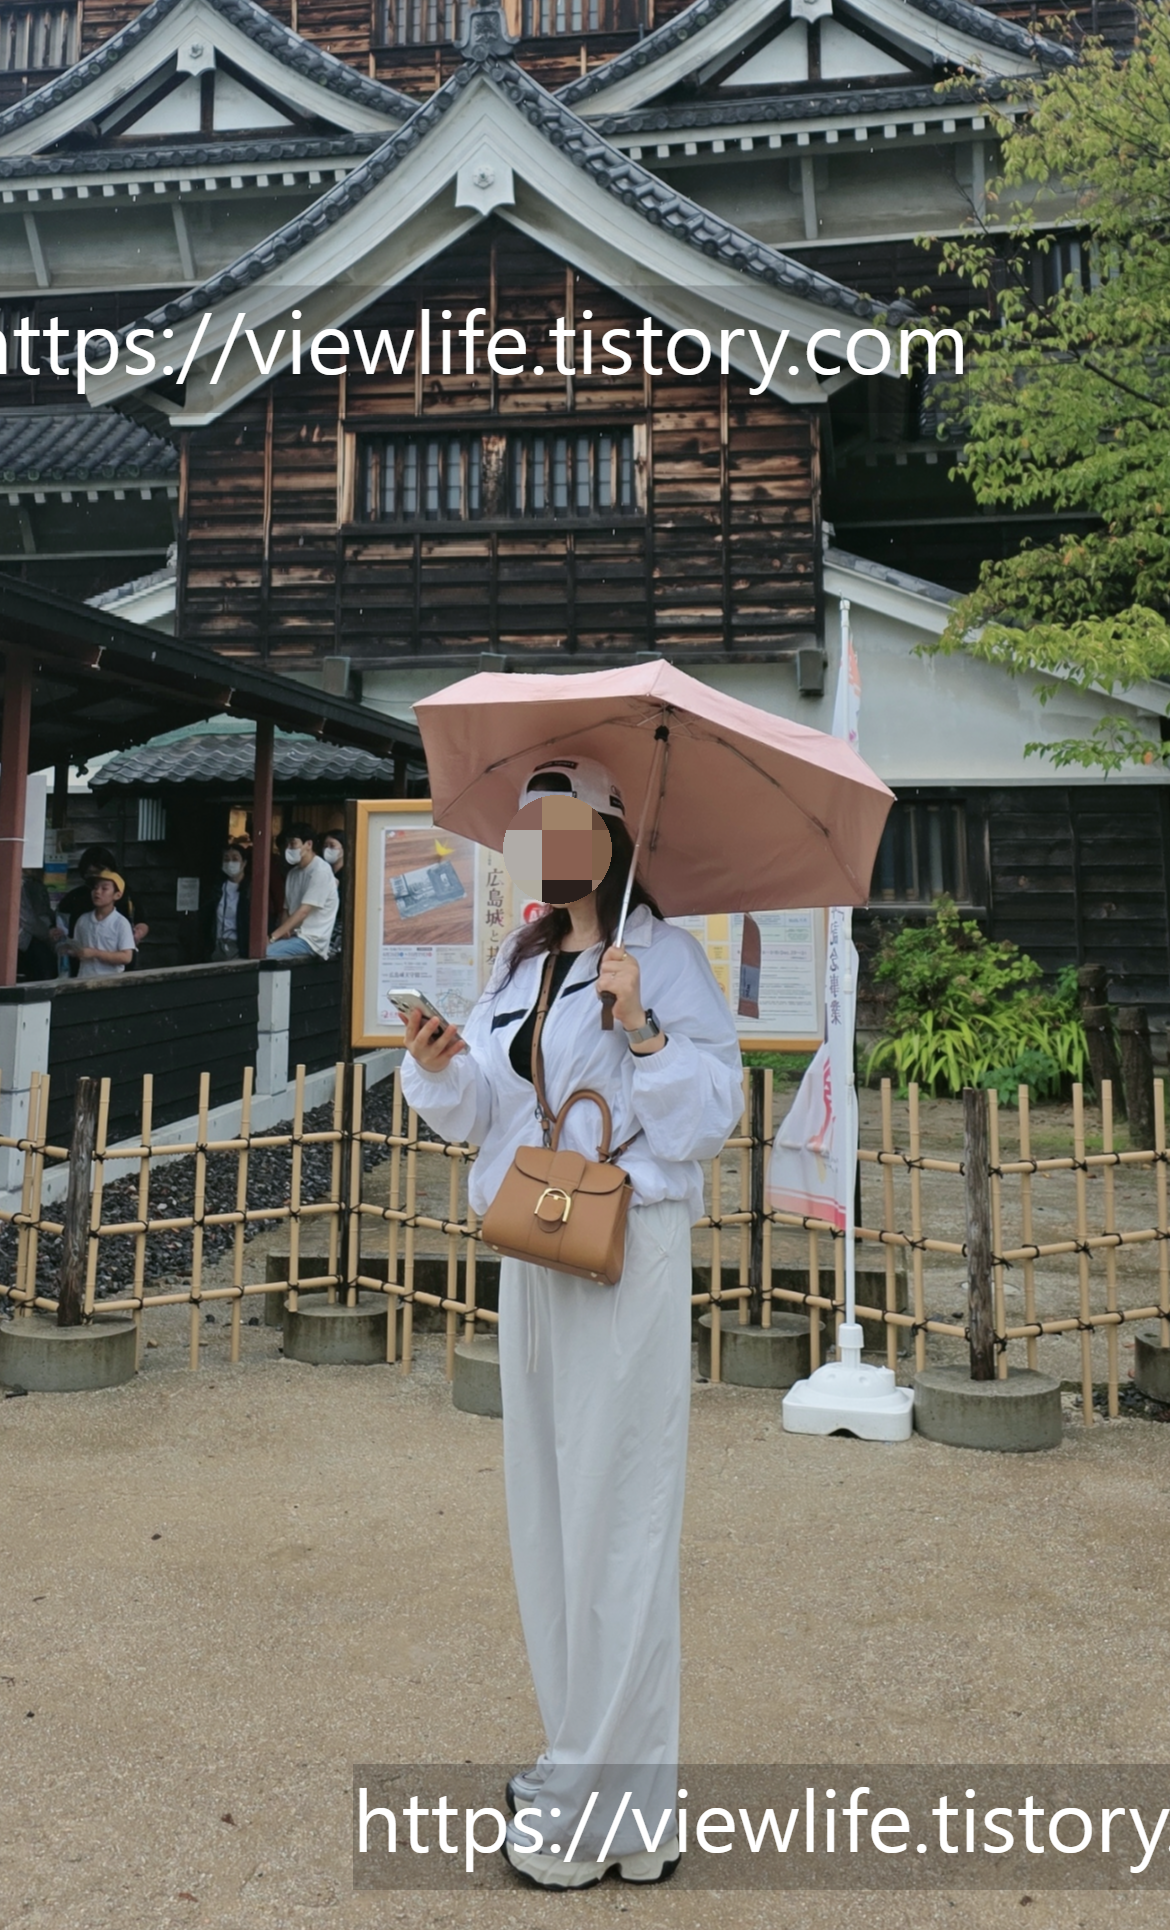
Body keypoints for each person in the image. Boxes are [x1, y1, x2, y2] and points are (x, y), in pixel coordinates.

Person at [398, 759, 740, 1890]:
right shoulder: (523, 961)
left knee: (621, 1511)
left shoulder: (663, 956)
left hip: (627, 1251)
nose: (544, 844)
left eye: (565, 823)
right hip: (535, 1242)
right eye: (531, 825)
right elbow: (488, 1111)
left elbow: (712, 1115)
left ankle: (605, 1803)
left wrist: (641, 1028)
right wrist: (441, 1065)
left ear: (606, 836)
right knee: (547, 1508)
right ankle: (597, 1772)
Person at [55, 844, 149, 971]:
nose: (98, 891)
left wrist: (138, 933)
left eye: (100, 871)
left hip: (117, 966)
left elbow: (141, 921)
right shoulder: (75, 898)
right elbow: (60, 921)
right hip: (84, 966)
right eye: (91, 873)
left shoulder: (125, 897)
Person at [267, 821, 338, 959]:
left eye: (293, 844)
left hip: (311, 940)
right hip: (293, 937)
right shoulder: (293, 873)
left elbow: (303, 911)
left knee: (266, 953)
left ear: (309, 844)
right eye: (287, 845)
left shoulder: (321, 871)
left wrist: (273, 937)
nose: (288, 849)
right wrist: (283, 932)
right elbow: (286, 909)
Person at [70, 870, 136, 984]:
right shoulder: (83, 920)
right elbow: (77, 948)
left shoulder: (121, 923)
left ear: (117, 895)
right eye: (95, 888)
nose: (97, 892)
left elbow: (126, 957)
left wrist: (95, 953)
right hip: (84, 980)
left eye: (104, 888)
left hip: (111, 983)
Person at [204, 838, 252, 960]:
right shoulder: (217, 889)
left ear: (244, 863)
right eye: (226, 859)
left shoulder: (250, 890)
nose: (230, 863)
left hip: (239, 947)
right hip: (217, 945)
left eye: (235, 859)